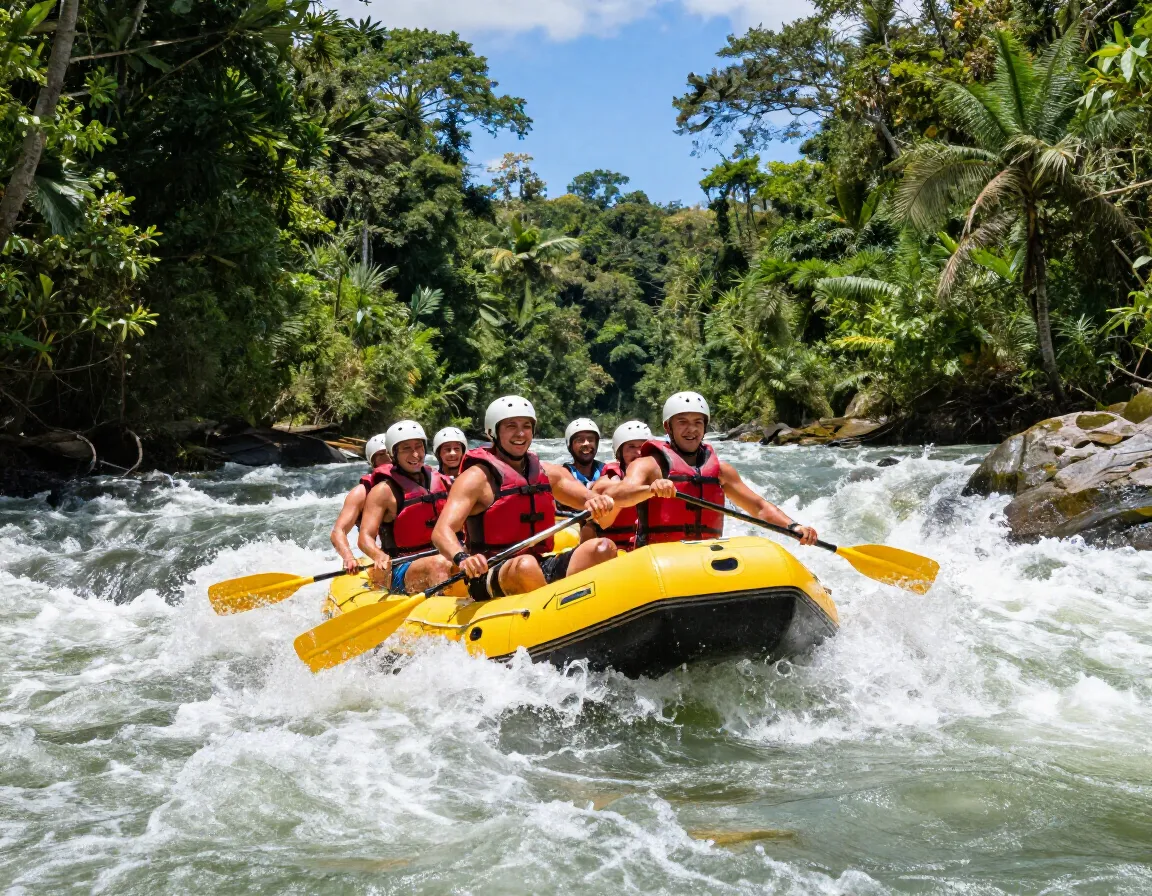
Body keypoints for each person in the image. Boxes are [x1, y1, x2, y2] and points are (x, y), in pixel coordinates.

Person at [433, 396, 617, 600]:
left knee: (602, 548)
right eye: (511, 426)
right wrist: (463, 558)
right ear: (493, 432)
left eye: (526, 426)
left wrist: (597, 501)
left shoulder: (547, 472)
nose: (520, 433)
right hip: (488, 570)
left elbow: (586, 498)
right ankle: (552, 619)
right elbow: (442, 531)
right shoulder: (476, 478)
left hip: (537, 562)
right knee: (525, 566)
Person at [603, 392, 818, 547]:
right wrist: (650, 489)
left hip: (707, 558)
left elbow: (758, 507)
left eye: (698, 422)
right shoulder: (648, 464)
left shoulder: (722, 471)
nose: (691, 429)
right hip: (659, 560)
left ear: (705, 427)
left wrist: (792, 526)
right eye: (682, 422)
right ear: (668, 427)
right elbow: (617, 496)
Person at [358, 421, 460, 595]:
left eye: (418, 447)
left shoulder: (441, 480)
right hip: (401, 566)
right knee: (438, 564)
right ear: (393, 453)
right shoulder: (383, 491)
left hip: (444, 554)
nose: (415, 454)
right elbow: (365, 537)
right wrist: (377, 555)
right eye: (406, 448)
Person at [329, 433, 389, 574]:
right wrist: (348, 557)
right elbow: (338, 531)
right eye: (381, 455)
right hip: (379, 555)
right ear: (373, 462)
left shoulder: (415, 484)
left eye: (390, 453)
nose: (388, 459)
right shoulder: (361, 493)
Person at [591, 420, 652, 551]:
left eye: (643, 447)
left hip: (646, 546)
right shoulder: (611, 479)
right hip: (615, 549)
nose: (639, 453)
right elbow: (602, 522)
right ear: (620, 452)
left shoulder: (660, 476)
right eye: (631, 447)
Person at [562, 418, 605, 485]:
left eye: (590, 439)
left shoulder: (607, 472)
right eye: (580, 440)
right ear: (570, 446)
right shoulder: (562, 475)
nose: (586, 443)